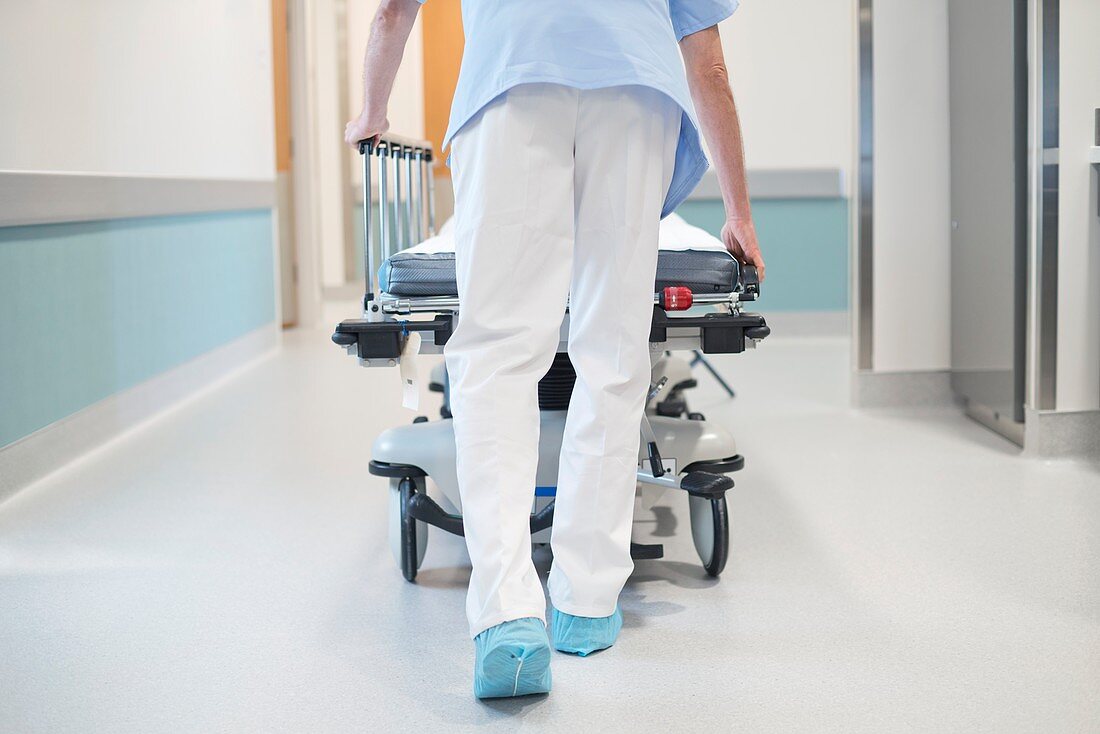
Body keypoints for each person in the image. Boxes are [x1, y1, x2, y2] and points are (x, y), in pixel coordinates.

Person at [346, 0, 765, 700]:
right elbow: (708, 61)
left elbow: (393, 10)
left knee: (496, 353)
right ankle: (586, 598)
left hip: (511, 83)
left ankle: (507, 612)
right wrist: (739, 212)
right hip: (636, 98)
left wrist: (371, 113)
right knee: (613, 352)